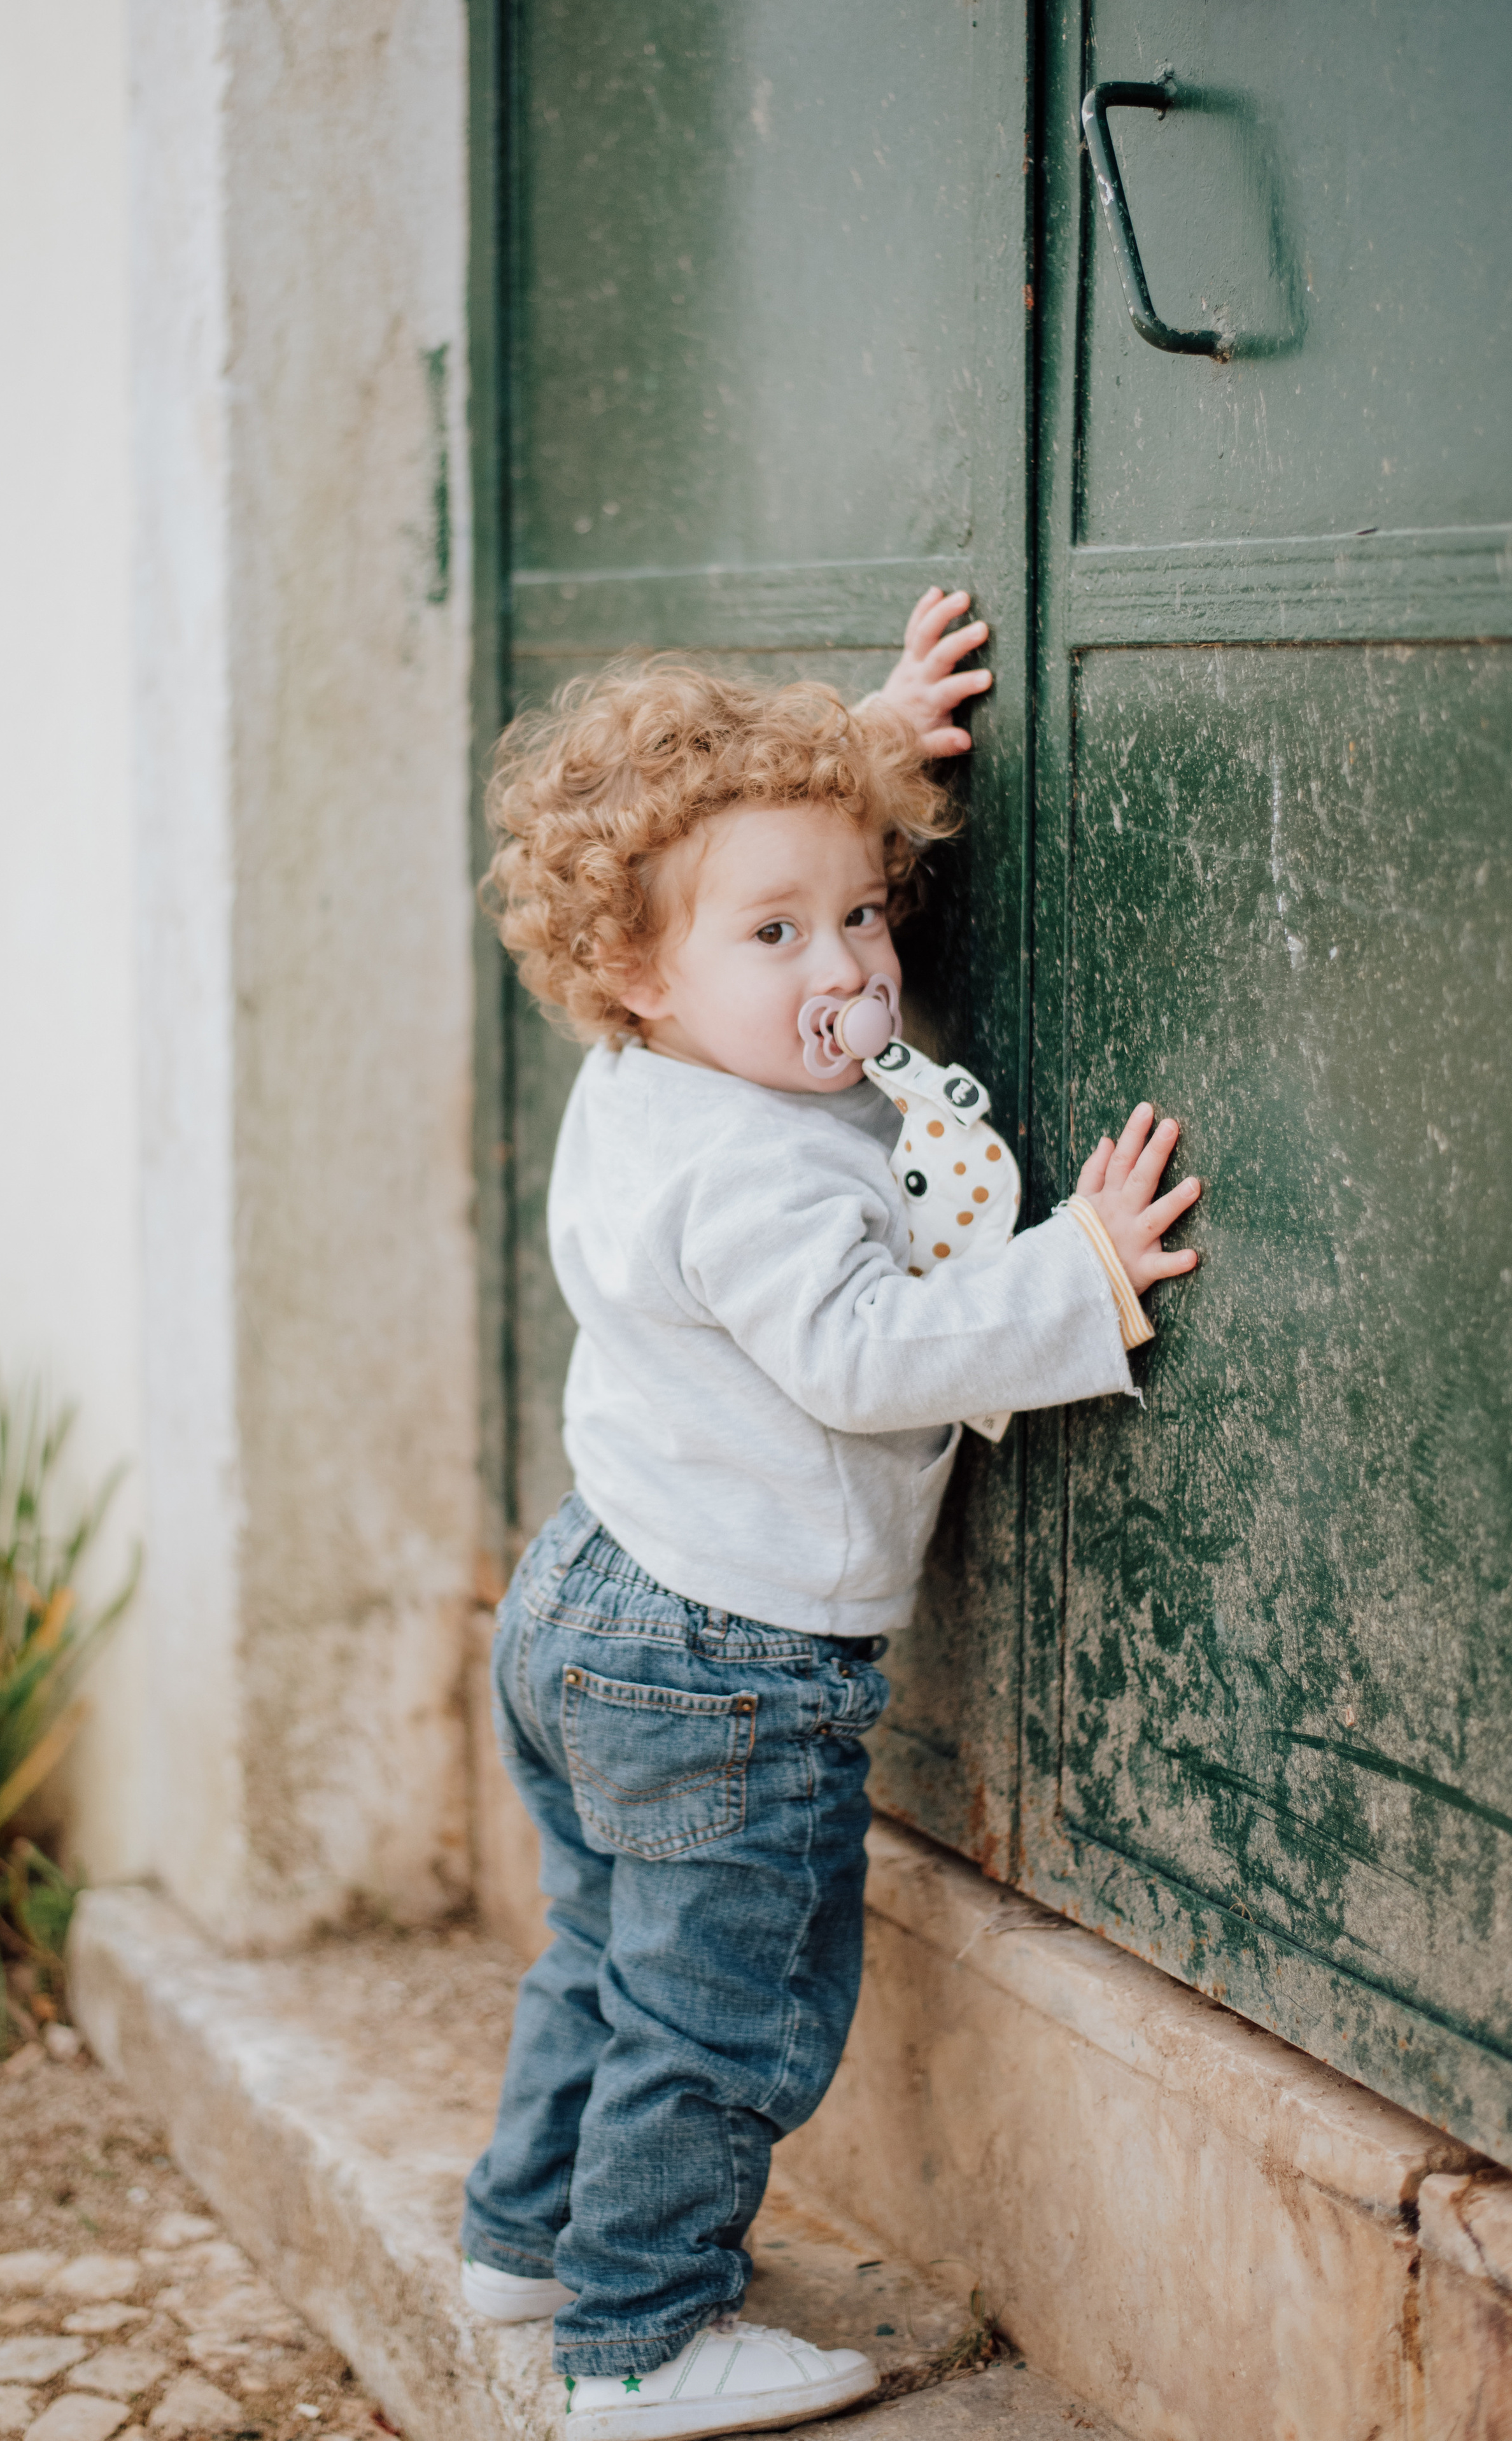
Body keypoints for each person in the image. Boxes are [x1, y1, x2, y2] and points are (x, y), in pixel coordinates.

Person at [458, 590, 1201, 2440]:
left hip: (588, 1598)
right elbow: (868, 1355)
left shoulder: (644, 1070)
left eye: (861, 910)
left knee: (602, 1948)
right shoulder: (763, 1172)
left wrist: (859, 754)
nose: (849, 966)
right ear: (638, 966)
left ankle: (528, 2235)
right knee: (719, 2014)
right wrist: (1080, 1272)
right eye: (779, 932)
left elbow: (726, 860)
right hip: (727, 1659)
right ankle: (639, 2338)